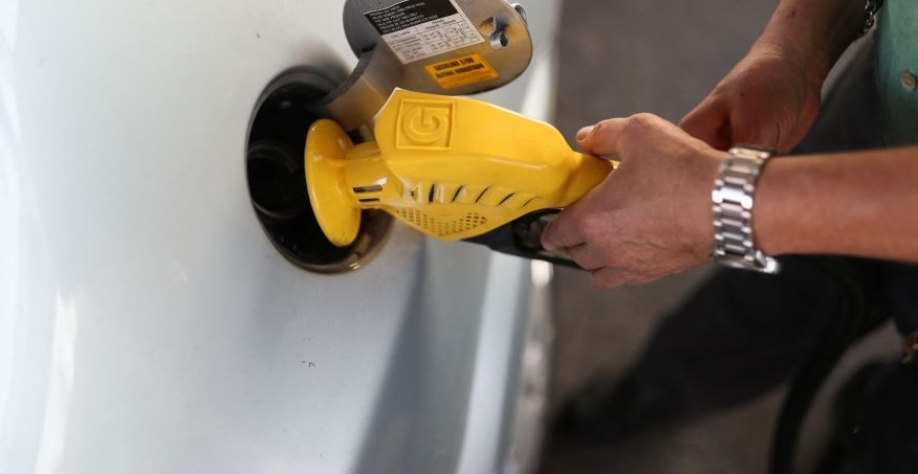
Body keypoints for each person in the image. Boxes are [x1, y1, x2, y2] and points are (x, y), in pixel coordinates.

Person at [541, 0, 918, 471]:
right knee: (763, 297)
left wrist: (727, 202)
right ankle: (662, 387)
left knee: (899, 436)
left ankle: (866, 436)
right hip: (893, 99)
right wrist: (795, 47)